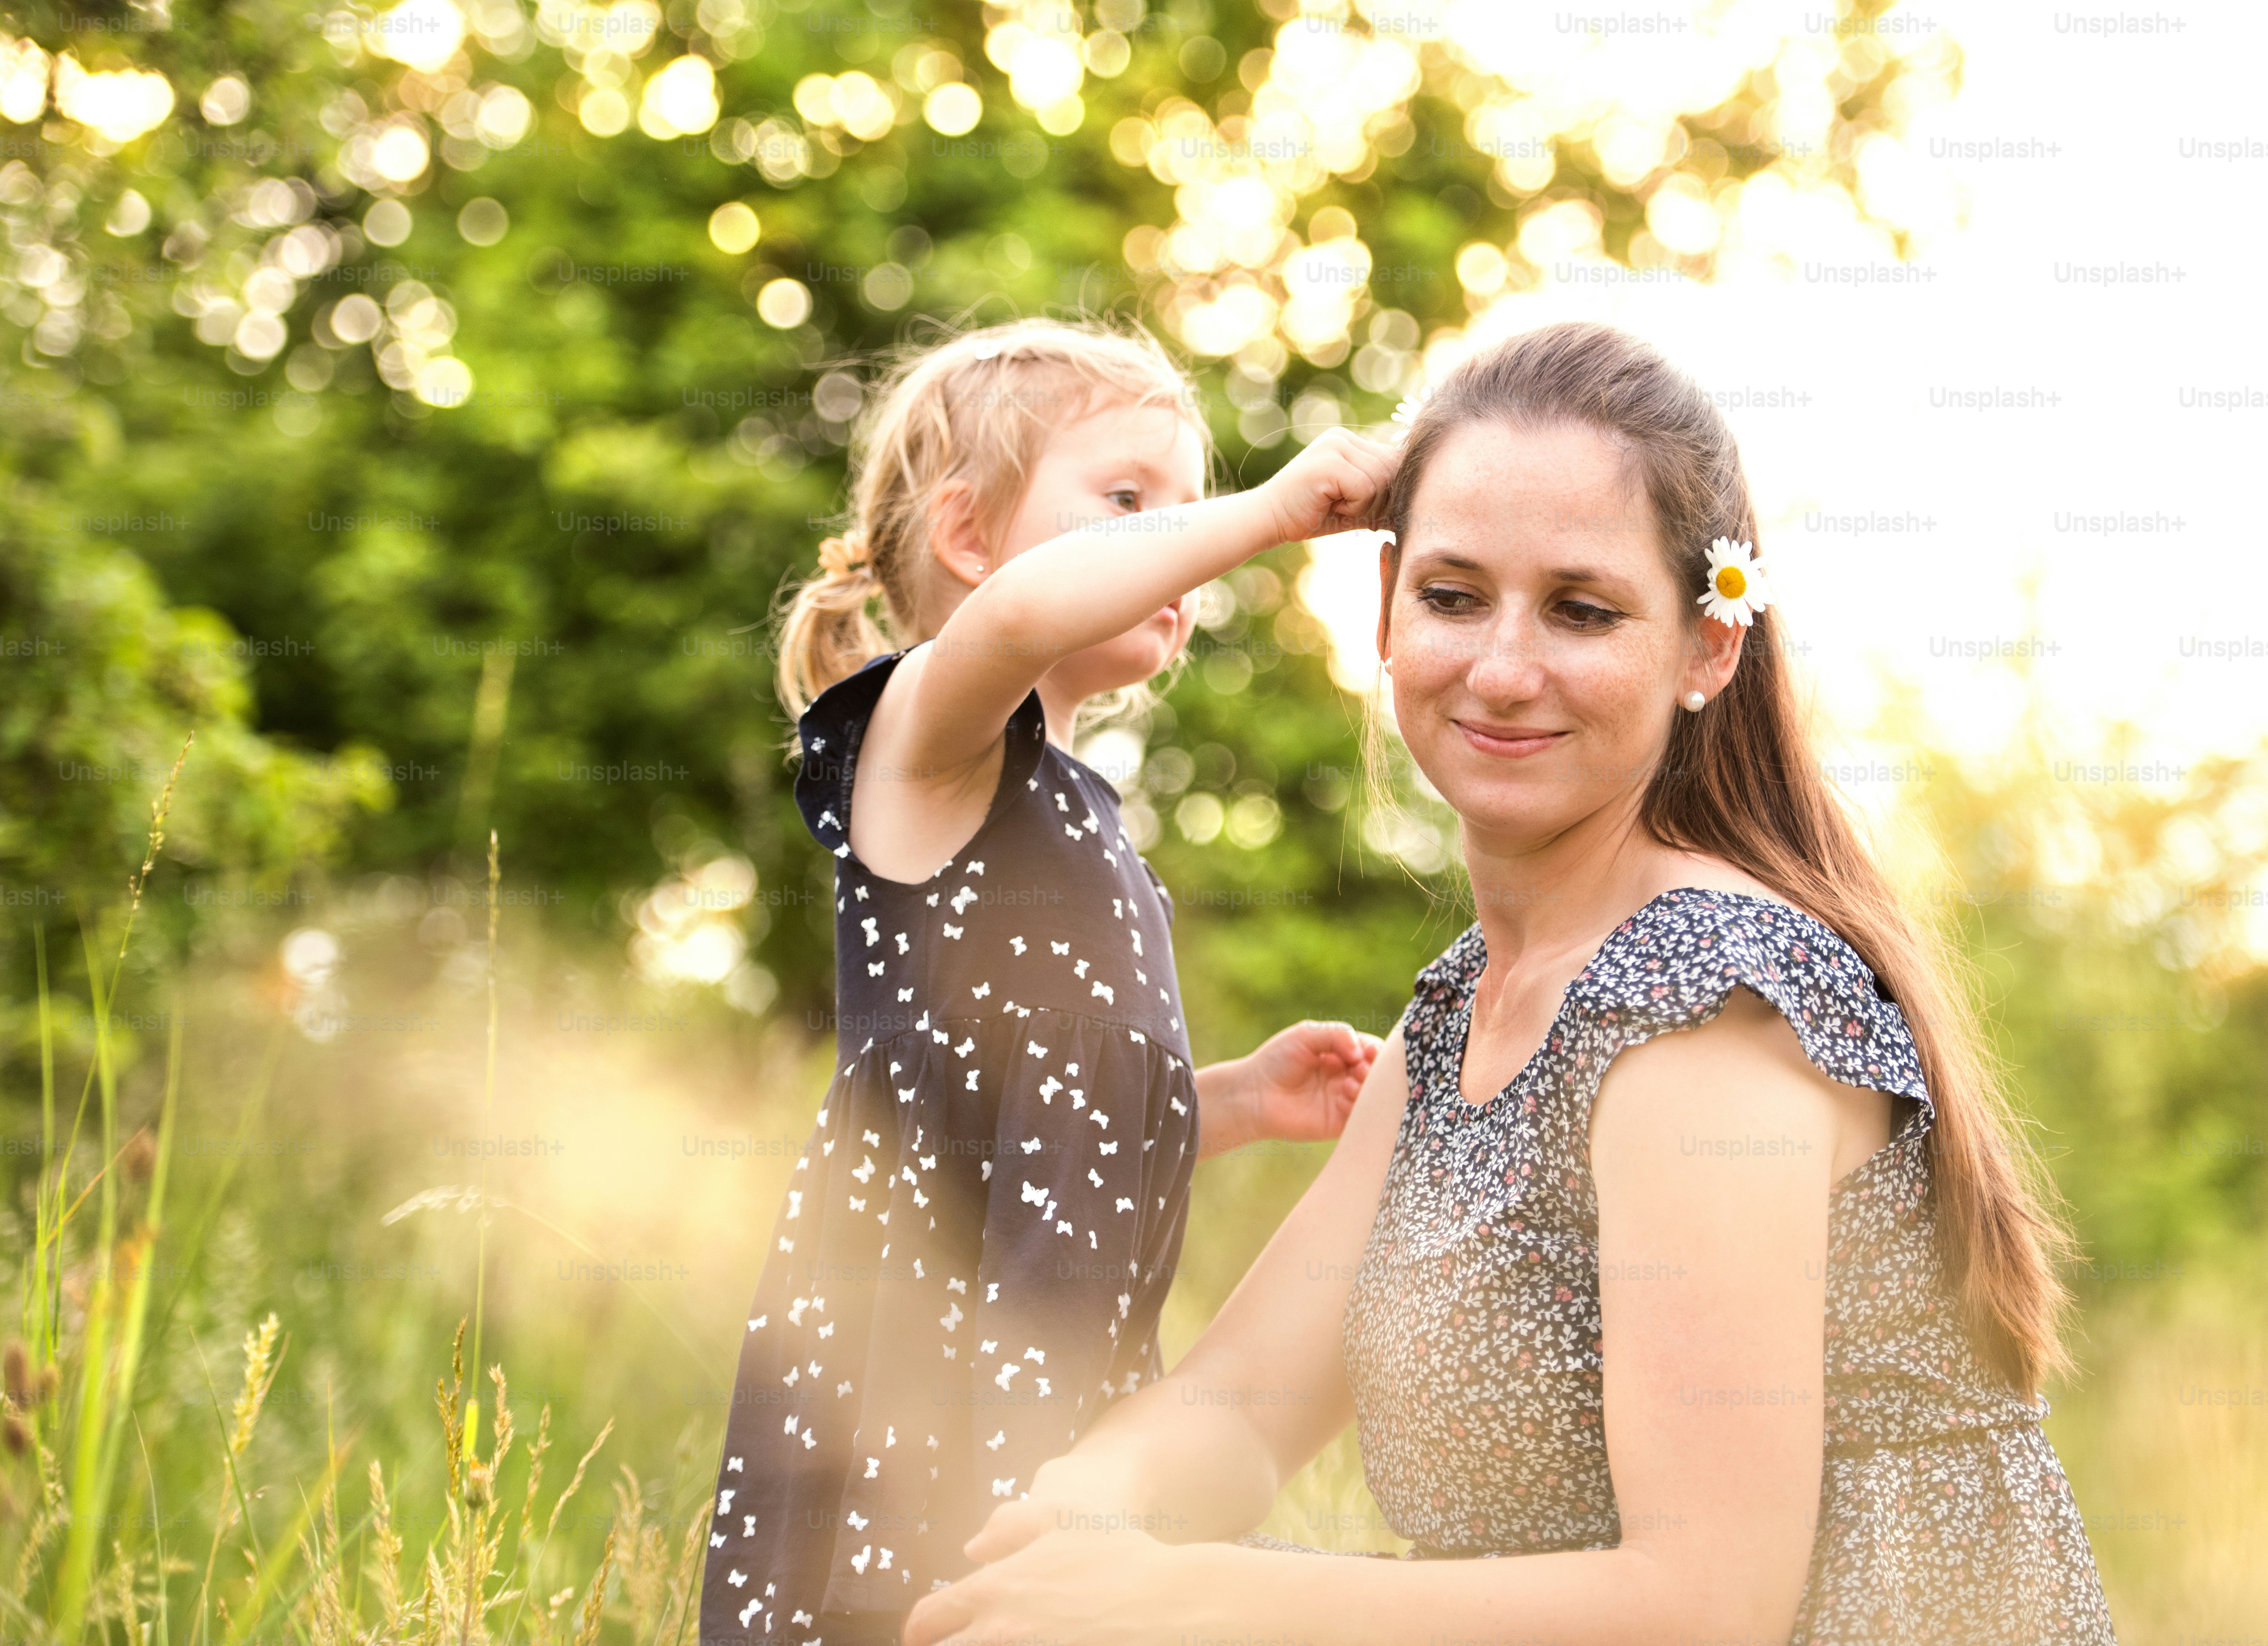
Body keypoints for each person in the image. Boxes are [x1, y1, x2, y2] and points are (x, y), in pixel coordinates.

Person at [905, 321, 2119, 1645]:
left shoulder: (1708, 1010)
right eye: (1453, 595)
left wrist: (1178, 1599)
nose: (1502, 667)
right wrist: (1059, 1524)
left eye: (1583, 611)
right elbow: (1236, 1417)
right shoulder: (1464, 1010)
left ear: (1709, 650)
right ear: (1385, 618)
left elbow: (1703, 1607)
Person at [700, 318, 1398, 1646]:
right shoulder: (927, 743)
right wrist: (1266, 512)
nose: (1179, 545)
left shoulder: (1085, 825)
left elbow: (1039, 1139)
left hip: (1053, 1394)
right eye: (1130, 502)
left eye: (1187, 512)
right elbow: (1024, 614)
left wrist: (1225, 1104)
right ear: (969, 536)